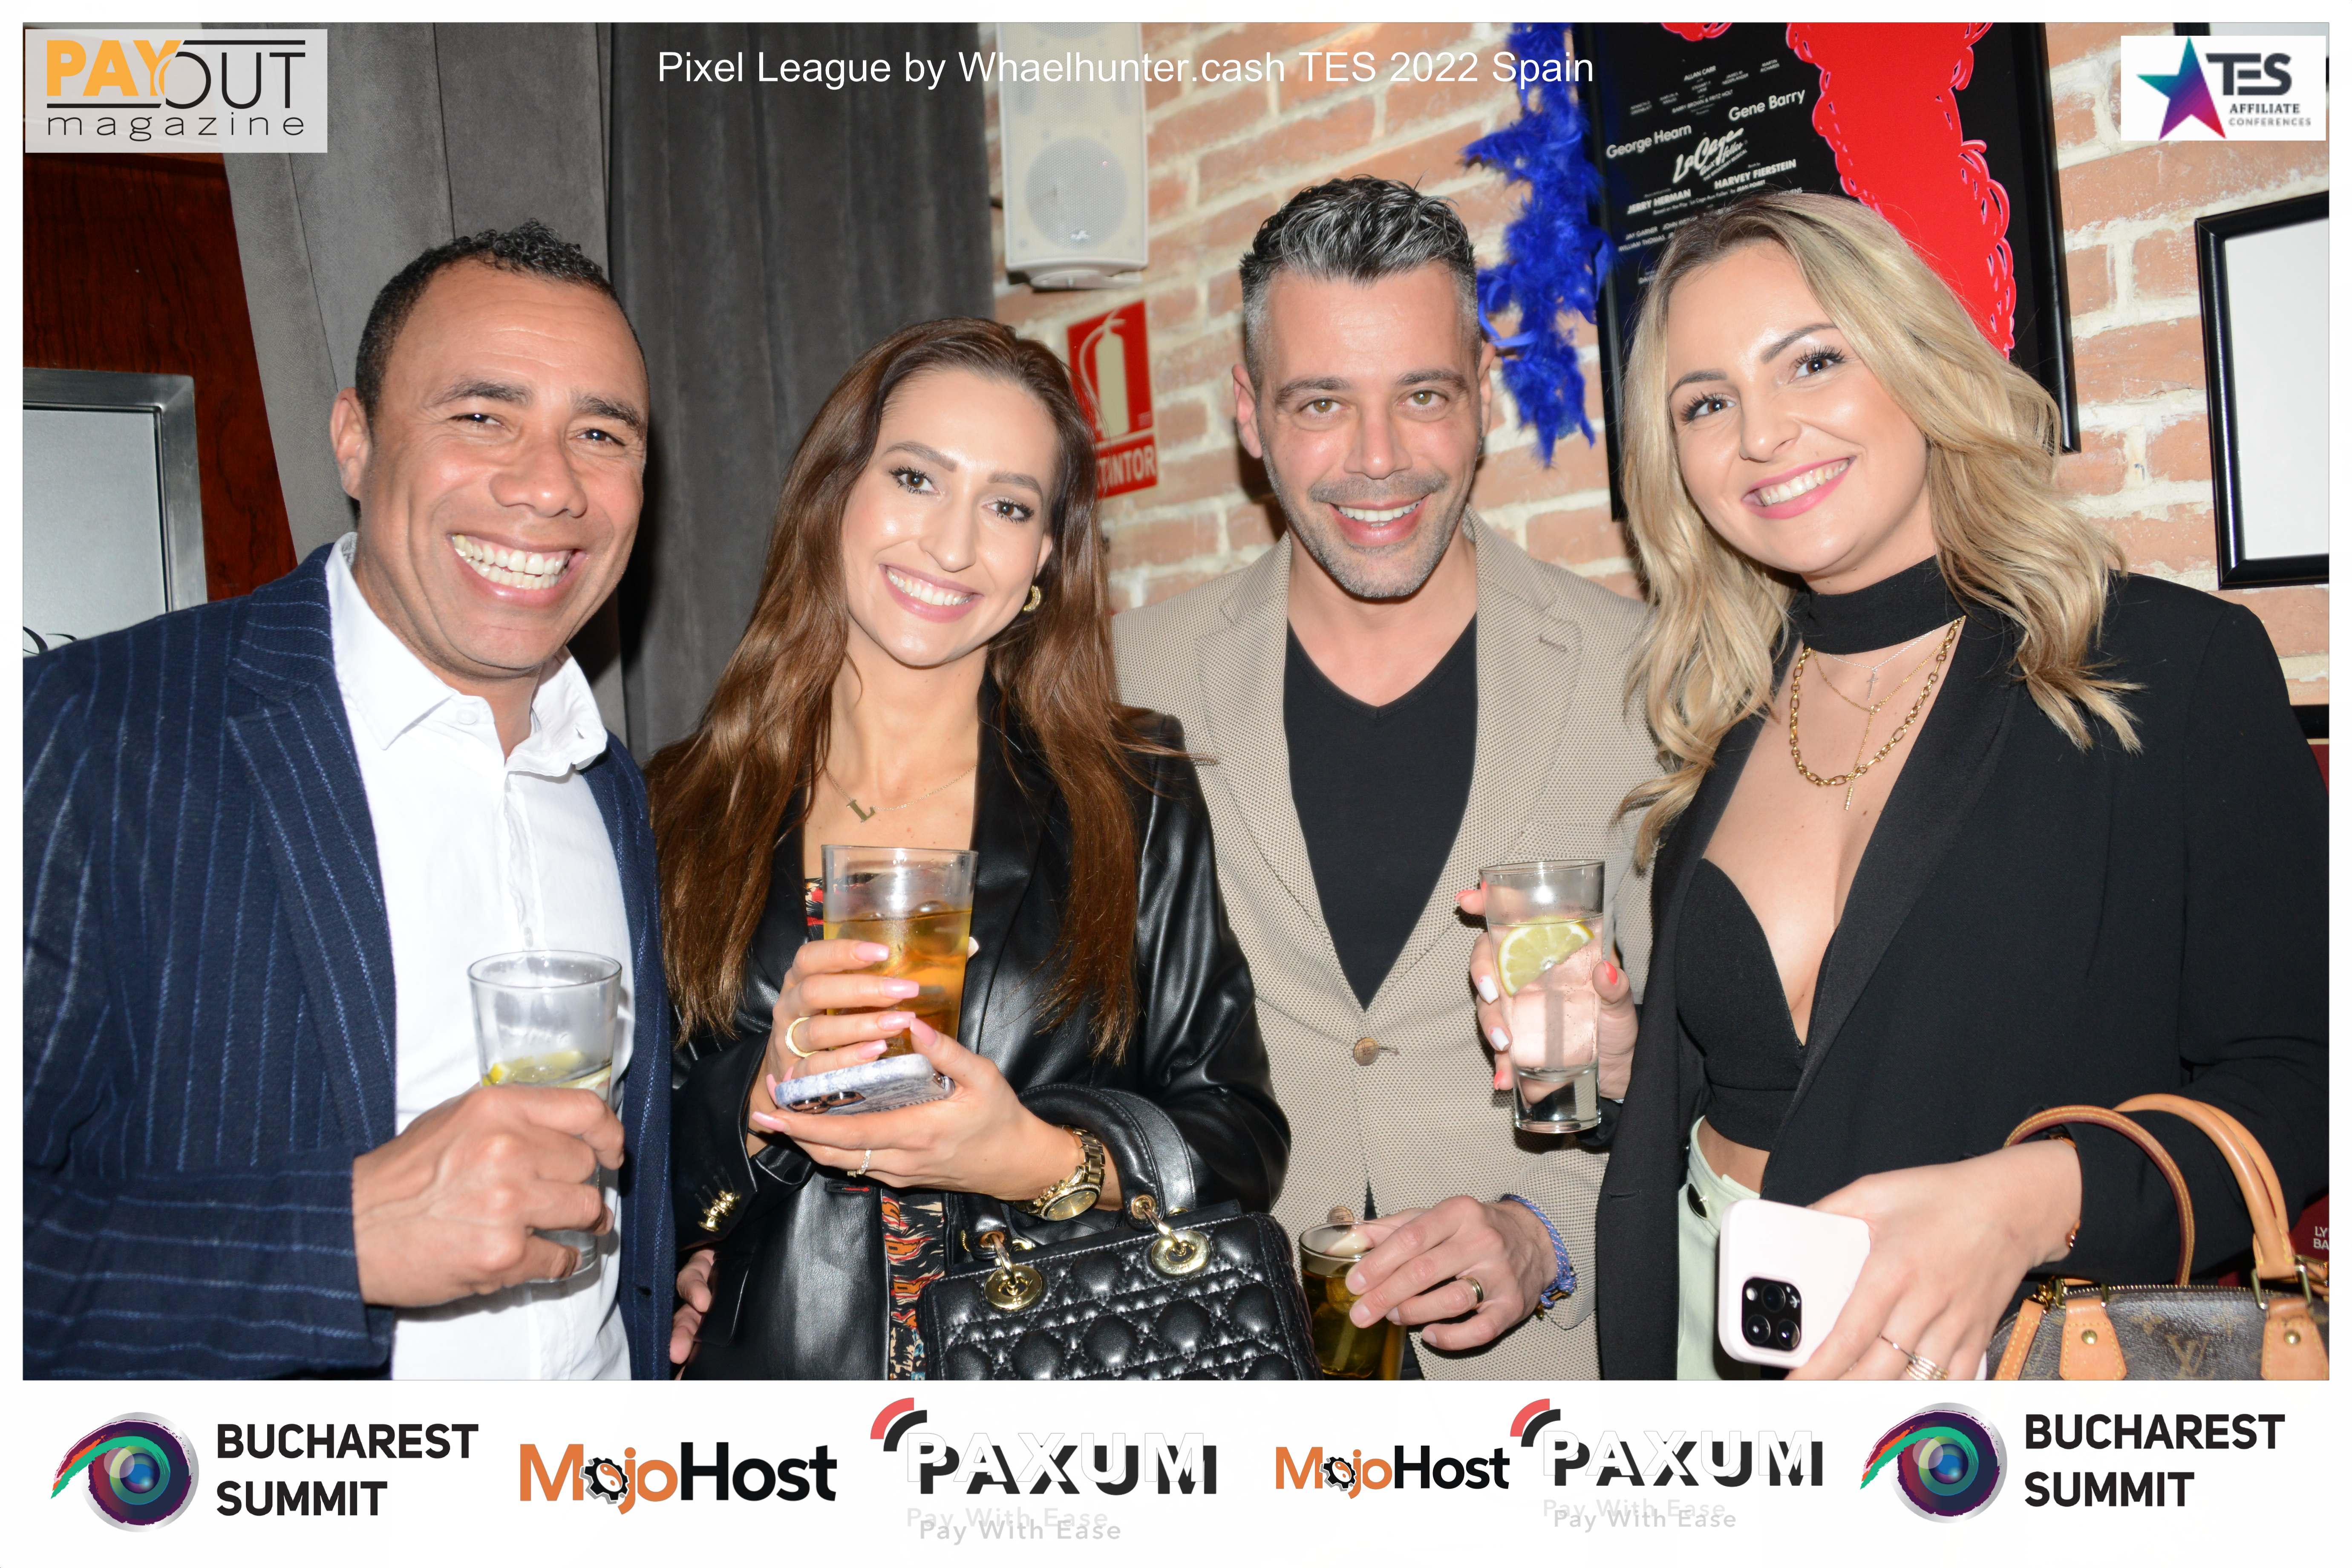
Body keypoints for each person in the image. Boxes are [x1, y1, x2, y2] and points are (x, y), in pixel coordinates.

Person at [1470, 190, 2325, 1379]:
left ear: (1919, 364)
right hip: (1707, 1337)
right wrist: (1623, 1060)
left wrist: (2027, 1206)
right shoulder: (1723, 715)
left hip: (1999, 1362)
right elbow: (1776, 1081)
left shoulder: (2168, 669)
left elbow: (2305, 1080)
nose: (1761, 434)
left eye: (1812, 361)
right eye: (1707, 403)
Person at [23, 222, 674, 1378]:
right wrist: (341, 1240)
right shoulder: (94, 731)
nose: (549, 484)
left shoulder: (612, 784)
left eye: (601, 434)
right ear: (356, 442)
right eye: (483, 415)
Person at [658, 318, 1286, 1378]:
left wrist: (1035, 1158)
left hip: (1054, 1399)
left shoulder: (1130, 791)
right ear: (835, 496)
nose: (953, 546)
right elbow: (632, 1167)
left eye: (1008, 506)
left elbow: (1240, 1134)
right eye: (915, 478)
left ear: (1045, 555)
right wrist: (760, 1096)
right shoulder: (682, 802)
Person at [1114, 178, 1657, 1380]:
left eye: (1423, 396)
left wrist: (1548, 1235)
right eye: (1322, 403)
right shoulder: (1127, 681)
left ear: (1483, 393)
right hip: (1216, 1372)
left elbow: (1712, 1075)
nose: (1378, 461)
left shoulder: (1646, 680)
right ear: (1249, 413)